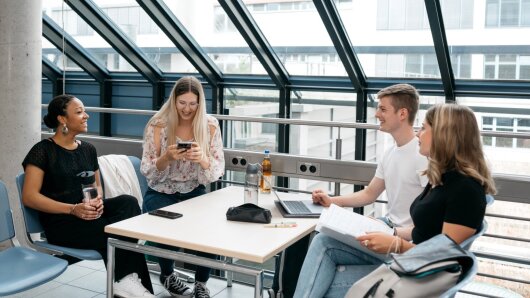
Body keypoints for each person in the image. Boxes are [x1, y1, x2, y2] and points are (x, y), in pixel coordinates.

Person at [293, 103, 496, 298]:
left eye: (424, 129)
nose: (418, 134)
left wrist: (395, 244)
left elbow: (443, 259)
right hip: (411, 257)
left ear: (445, 135)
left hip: (419, 275)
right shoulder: (444, 177)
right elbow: (426, 231)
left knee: (323, 277)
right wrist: (390, 232)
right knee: (324, 241)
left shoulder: (466, 190)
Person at [270, 83, 428, 298]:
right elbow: (369, 193)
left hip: (401, 243)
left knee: (323, 247)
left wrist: (392, 234)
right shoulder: (390, 153)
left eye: (383, 109)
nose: (376, 114)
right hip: (386, 229)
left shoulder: (422, 157)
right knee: (321, 237)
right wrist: (332, 201)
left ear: (402, 113)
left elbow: (430, 221)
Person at [21, 94, 154, 298]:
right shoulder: (42, 151)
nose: (86, 115)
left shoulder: (88, 149)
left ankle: (125, 282)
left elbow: (96, 186)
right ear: (62, 119)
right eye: (79, 112)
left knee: (128, 203)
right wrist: (72, 209)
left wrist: (98, 201)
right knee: (117, 233)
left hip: (89, 216)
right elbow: (29, 197)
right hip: (62, 222)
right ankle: (127, 283)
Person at [141, 76, 225, 298]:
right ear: (173, 100)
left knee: (210, 228)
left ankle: (201, 283)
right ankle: (167, 274)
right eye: (182, 103)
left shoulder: (210, 125)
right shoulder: (157, 125)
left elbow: (217, 170)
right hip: (160, 191)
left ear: (200, 103)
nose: (187, 109)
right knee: (167, 229)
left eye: (193, 104)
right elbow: (147, 169)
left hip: (194, 190)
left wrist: (203, 159)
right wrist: (166, 157)